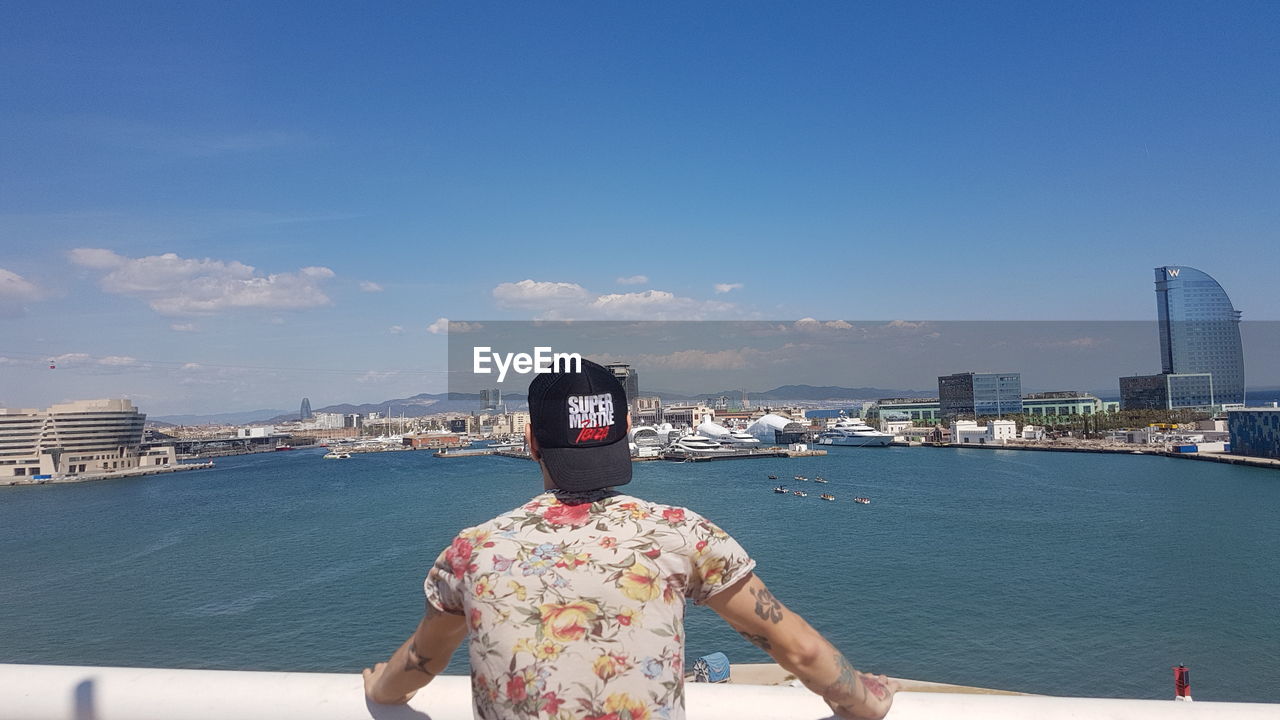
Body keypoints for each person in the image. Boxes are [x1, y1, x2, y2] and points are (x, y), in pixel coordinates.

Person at [363, 360, 898, 719]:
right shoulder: (679, 532)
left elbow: (421, 662)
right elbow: (797, 648)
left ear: (530, 443)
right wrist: (866, 703)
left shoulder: (473, 550)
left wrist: (378, 690)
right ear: (623, 432)